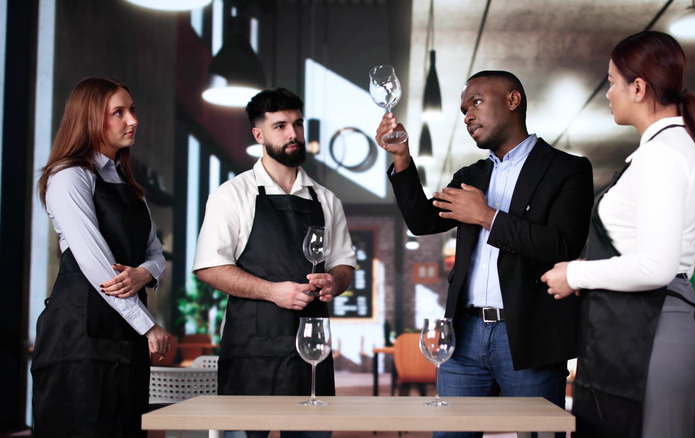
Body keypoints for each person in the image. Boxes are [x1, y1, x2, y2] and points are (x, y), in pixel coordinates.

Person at [376, 70, 593, 438]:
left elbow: (562, 246)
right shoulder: (471, 175)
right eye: (463, 110)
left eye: (476, 102)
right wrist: (401, 158)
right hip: (464, 338)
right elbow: (423, 221)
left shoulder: (567, 170)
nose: (467, 116)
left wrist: (486, 217)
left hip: (529, 335)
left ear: (513, 100)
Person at [542, 31, 695, 438]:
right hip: (653, 330)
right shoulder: (677, 146)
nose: (608, 93)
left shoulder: (662, 155)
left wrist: (574, 274)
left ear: (638, 87)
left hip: (653, 337)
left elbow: (655, 267)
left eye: (611, 82)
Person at [193, 87, 356, 438]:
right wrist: (272, 292)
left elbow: (343, 264)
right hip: (250, 355)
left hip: (311, 354)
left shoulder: (326, 200)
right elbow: (208, 266)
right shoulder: (231, 196)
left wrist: (335, 281)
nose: (293, 134)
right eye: (280, 125)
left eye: (297, 124)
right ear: (259, 134)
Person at [31, 77, 171, 437]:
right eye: (118, 113)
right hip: (79, 341)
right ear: (91, 119)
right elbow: (96, 264)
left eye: (133, 110)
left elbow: (156, 253)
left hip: (124, 340)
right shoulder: (69, 176)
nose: (132, 120)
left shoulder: (130, 187)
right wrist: (148, 325)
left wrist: (144, 274)